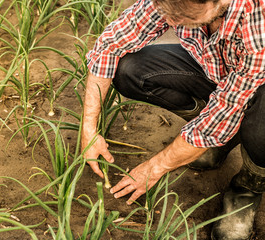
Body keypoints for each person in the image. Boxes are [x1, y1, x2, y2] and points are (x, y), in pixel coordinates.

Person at [81, 0, 265, 238]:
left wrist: (154, 168)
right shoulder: (174, 3)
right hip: (220, 70)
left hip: (259, 84)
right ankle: (219, 142)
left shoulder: (258, 20)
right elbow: (110, 45)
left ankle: (247, 189)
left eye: (180, 16)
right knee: (128, 69)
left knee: (260, 129)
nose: (169, 22)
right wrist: (89, 128)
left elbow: (225, 110)